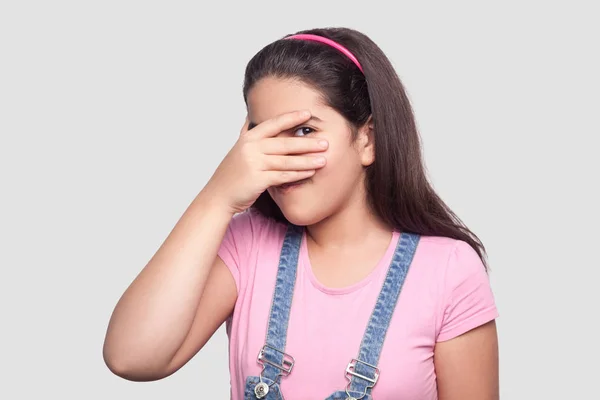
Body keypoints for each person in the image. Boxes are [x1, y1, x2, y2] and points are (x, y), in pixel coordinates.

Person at [103, 27, 499, 400]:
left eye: (304, 131)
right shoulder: (247, 246)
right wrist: (217, 197)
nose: (280, 158)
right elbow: (132, 357)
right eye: (264, 134)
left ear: (368, 140)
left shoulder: (448, 270)